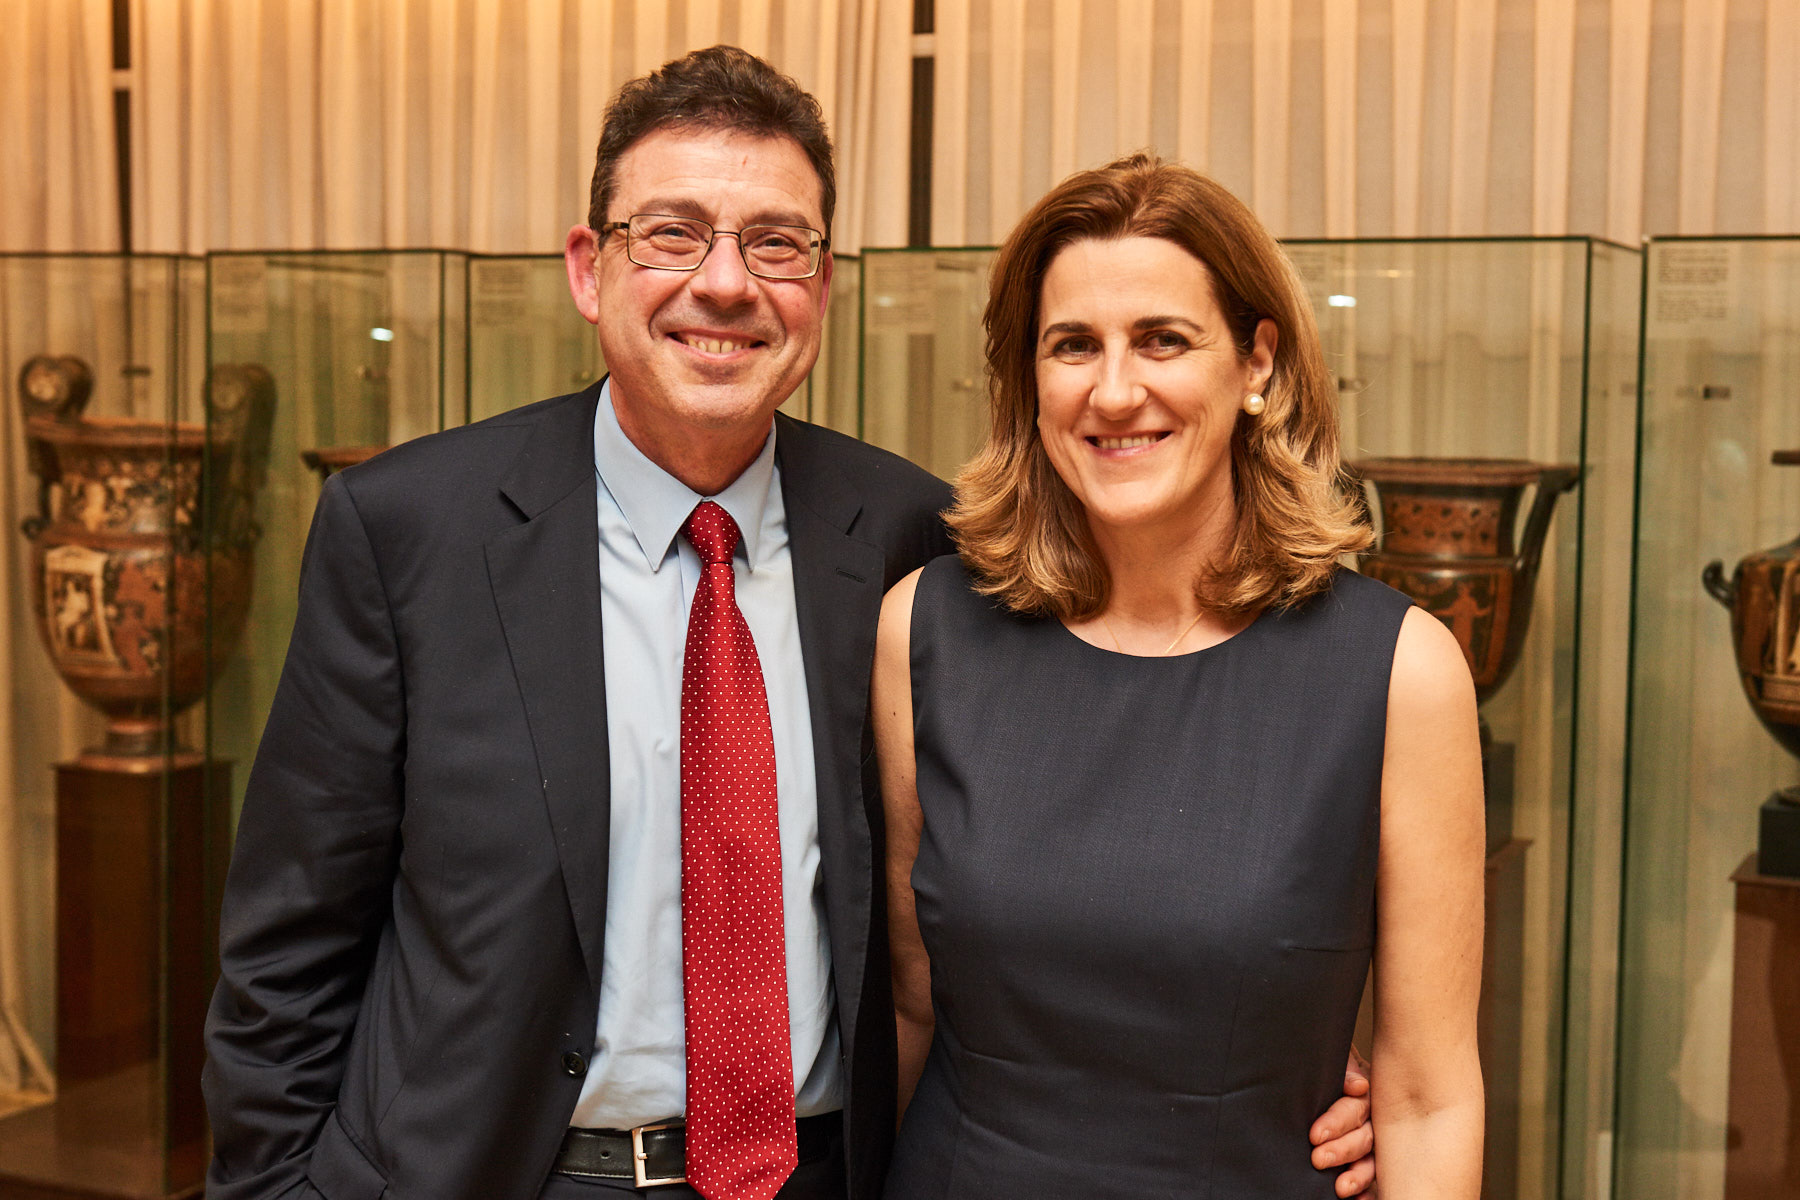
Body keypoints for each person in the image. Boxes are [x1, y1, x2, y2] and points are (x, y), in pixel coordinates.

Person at [201, 48, 1379, 1200]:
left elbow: (1059, 882)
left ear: (823, 285)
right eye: (672, 233)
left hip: (820, 1174)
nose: (726, 284)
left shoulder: (921, 546)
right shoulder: (409, 534)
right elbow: (289, 948)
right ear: (589, 270)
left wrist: (1309, 1072)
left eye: (776, 242)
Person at [874, 153, 1486, 1199]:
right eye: (1073, 345)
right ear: (1029, 379)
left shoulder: (1400, 672)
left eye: (1163, 339)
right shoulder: (922, 634)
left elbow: (1429, 1096)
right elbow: (905, 1009)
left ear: (1257, 365)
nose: (1116, 391)